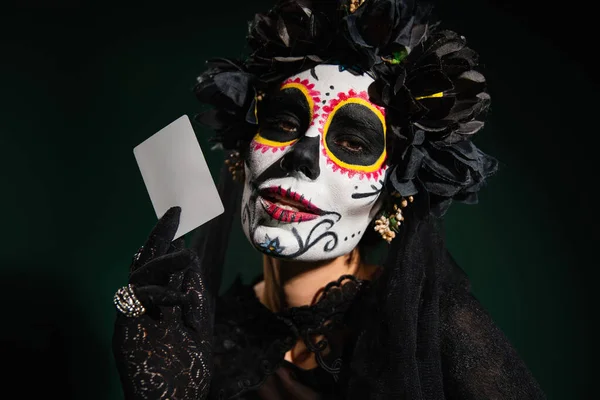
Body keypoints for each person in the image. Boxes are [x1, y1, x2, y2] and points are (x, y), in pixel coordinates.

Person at [112, 0, 546, 398]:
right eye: (283, 122)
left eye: (354, 142)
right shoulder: (206, 329)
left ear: (394, 196)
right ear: (243, 155)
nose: (301, 156)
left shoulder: (433, 328)